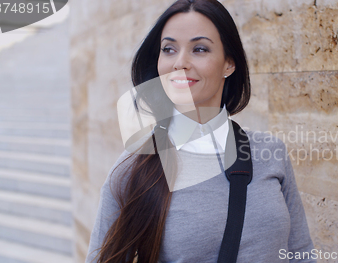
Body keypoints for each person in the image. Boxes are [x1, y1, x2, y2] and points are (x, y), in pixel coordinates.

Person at [86, 0, 315, 262]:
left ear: (229, 63)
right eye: (169, 49)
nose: (180, 62)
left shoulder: (270, 152)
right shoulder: (134, 166)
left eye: (200, 49)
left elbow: (301, 252)